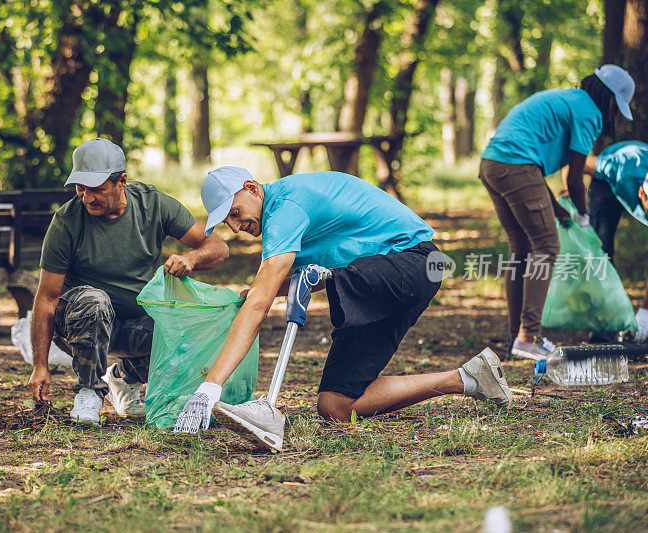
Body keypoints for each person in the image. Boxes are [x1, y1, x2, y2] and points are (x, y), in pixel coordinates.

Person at [173, 167, 514, 448]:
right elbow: (308, 277)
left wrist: (209, 388)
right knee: (335, 405)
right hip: (383, 278)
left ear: (252, 188)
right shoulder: (280, 215)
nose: (236, 227)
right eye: (226, 223)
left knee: (313, 284)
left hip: (417, 263)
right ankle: (469, 378)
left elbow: (263, 303)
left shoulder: (287, 207)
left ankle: (264, 407)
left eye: (235, 213)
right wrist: (268, 291)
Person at [26, 138, 229, 425]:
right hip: (79, 324)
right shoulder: (67, 221)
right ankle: (89, 390)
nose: (86, 198)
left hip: (135, 322)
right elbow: (46, 297)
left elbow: (219, 248)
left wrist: (191, 259)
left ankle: (122, 378)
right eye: (80, 189)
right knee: (94, 301)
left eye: (96, 189)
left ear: (121, 181)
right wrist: (40, 365)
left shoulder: (153, 205)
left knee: (187, 330)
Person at [479, 64, 635, 359]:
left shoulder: (569, 100)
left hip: (493, 164)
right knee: (547, 246)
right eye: (617, 108)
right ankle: (529, 336)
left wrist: (558, 210)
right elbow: (573, 178)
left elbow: (545, 170)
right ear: (610, 97)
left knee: (522, 248)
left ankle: (518, 336)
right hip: (516, 165)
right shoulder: (589, 112)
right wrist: (583, 216)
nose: (614, 115)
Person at [581, 140, 648, 342]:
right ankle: (602, 322)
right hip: (607, 181)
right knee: (601, 248)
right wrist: (570, 189)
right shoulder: (619, 168)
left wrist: (643, 319)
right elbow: (577, 163)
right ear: (642, 194)